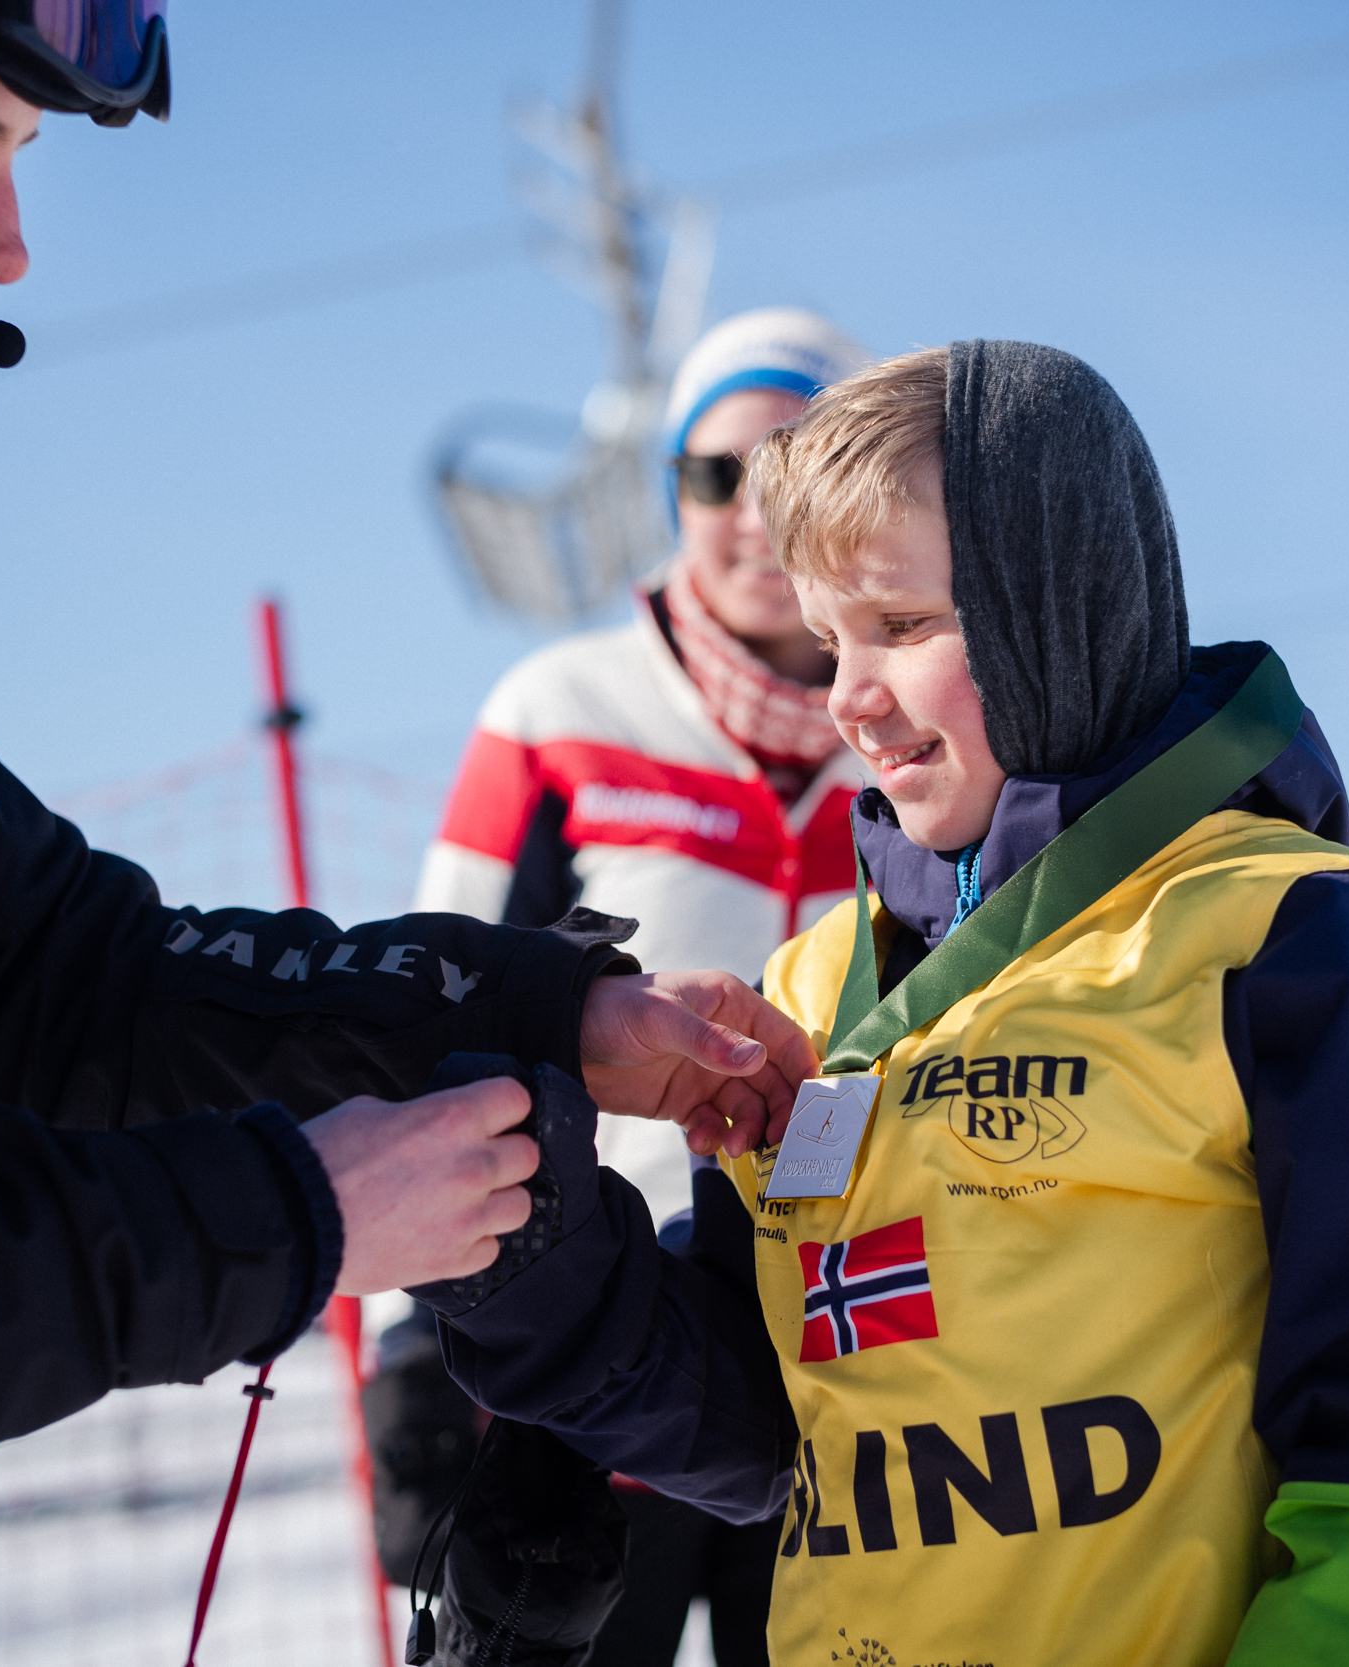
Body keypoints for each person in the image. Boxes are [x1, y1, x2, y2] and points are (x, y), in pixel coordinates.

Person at [0, 8, 816, 1664]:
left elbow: (68, 970)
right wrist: (291, 1216)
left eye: (16, 168)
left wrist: (537, 1012)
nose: (7, 249)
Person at [408, 343, 1349, 1665]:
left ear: (1055, 606)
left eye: (902, 628)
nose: (849, 698)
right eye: (829, 638)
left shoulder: (1321, 942)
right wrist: (523, 1233)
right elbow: (751, 1418)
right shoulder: (815, 991)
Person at [397, 309, 874, 1665]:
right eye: (716, 474)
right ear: (672, 491)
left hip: (864, 1342)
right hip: (608, 1346)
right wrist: (408, 1353)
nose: (750, 513)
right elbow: (430, 1011)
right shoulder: (558, 711)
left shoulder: (913, 734)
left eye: (791, 472)